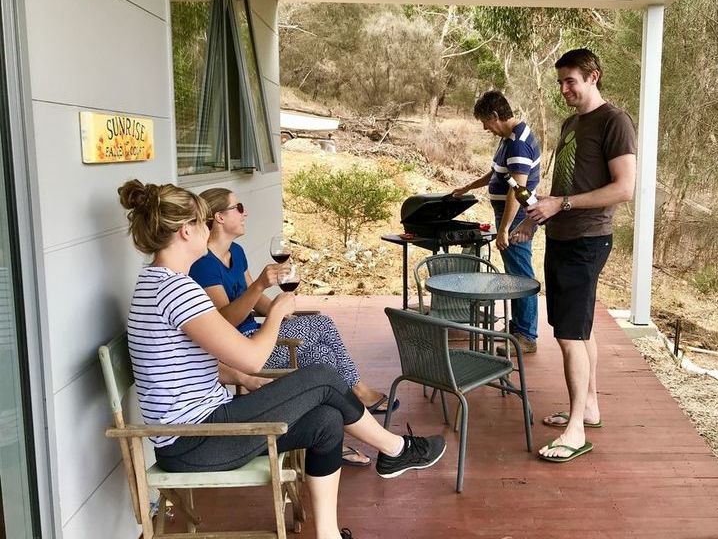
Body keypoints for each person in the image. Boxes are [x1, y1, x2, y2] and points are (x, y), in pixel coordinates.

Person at [118, 179, 446, 539]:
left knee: (326, 420)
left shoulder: (154, 283)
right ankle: (395, 448)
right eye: (202, 223)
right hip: (197, 440)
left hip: (196, 431)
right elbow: (254, 358)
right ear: (185, 231)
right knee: (321, 375)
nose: (206, 231)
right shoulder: (178, 292)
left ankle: (328, 534)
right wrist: (275, 312)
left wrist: (239, 379)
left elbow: (179, 364)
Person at [190, 187, 398, 467]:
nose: (245, 212)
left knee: (321, 355)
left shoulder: (236, 253)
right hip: (245, 347)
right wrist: (264, 289)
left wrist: (284, 316)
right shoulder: (203, 265)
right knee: (322, 324)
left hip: (262, 335)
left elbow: (256, 300)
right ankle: (358, 391)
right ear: (219, 217)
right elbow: (226, 321)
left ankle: (334, 435)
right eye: (238, 207)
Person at [511, 48, 636, 463]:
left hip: (587, 240)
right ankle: (589, 408)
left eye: (571, 81)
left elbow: (623, 189)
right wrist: (533, 219)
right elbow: (560, 188)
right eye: (560, 82)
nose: (564, 89)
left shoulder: (614, 121)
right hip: (563, 237)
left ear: (593, 77)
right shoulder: (571, 123)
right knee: (579, 330)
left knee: (568, 335)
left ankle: (576, 431)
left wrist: (560, 204)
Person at [452, 90, 540, 353]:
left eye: (485, 121)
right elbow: (497, 172)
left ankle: (526, 336)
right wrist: (469, 186)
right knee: (514, 273)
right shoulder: (510, 138)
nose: (484, 127)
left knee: (521, 275)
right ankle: (518, 328)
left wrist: (503, 230)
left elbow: (518, 189)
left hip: (517, 216)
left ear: (494, 115)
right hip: (508, 214)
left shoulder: (517, 143)